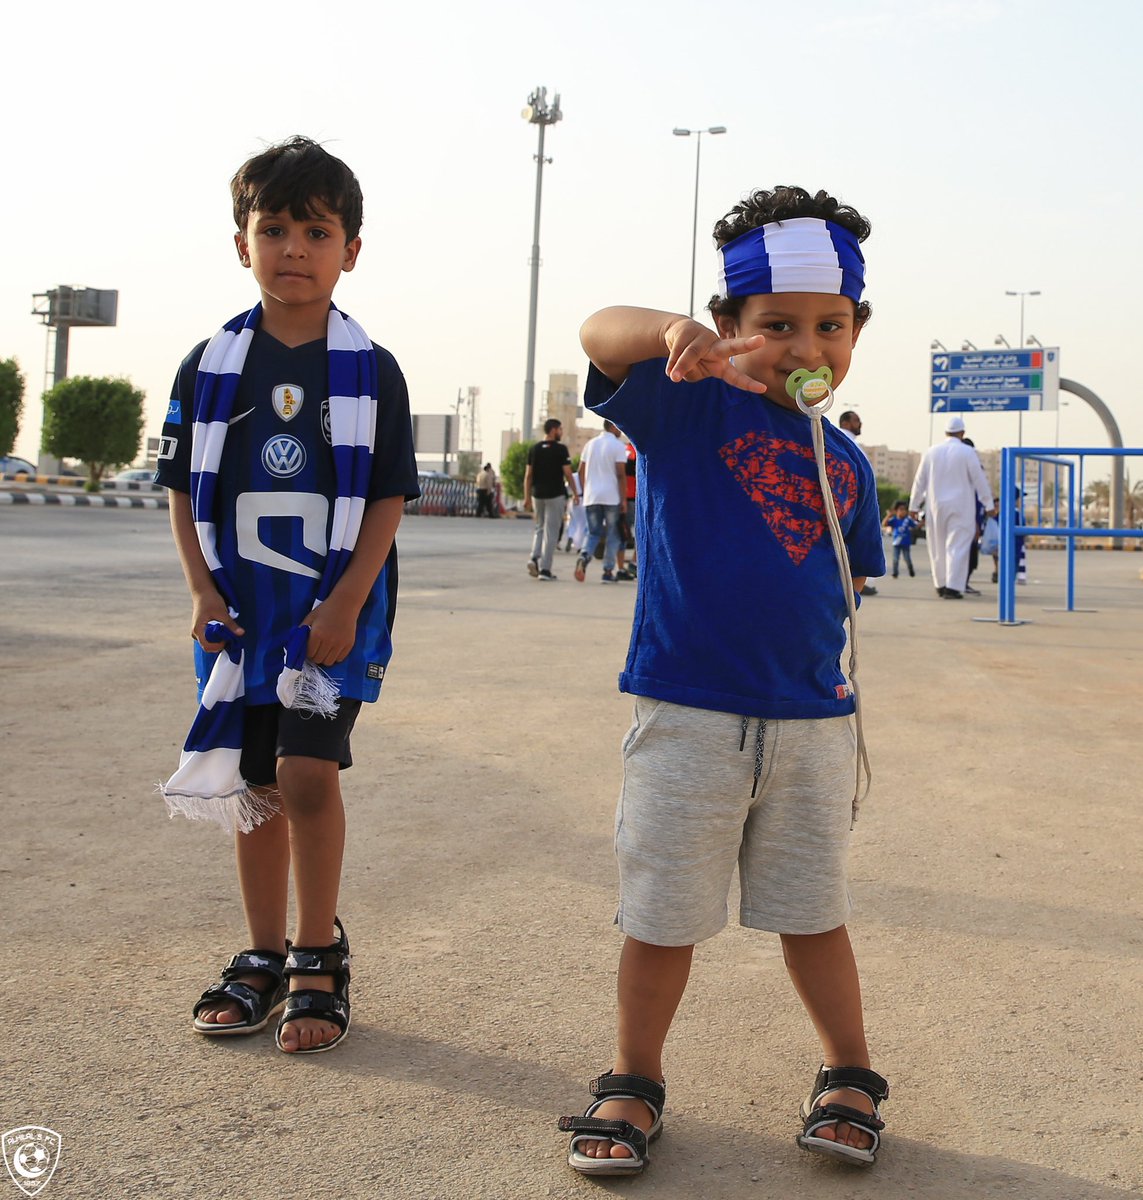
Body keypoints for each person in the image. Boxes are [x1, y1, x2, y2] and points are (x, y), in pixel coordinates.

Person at [558, 186, 888, 1176]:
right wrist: (670, 335)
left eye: (830, 326)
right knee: (662, 918)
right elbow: (597, 331)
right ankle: (632, 1079)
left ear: (856, 332)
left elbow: (849, 580)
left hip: (813, 725)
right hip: (689, 716)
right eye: (776, 326)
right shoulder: (687, 406)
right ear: (728, 325)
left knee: (813, 914)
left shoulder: (846, 461)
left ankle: (849, 1072)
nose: (805, 347)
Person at [156, 136, 419, 1055]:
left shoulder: (372, 370)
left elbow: (386, 497)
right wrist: (199, 588)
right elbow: (183, 491)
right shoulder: (209, 365)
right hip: (240, 613)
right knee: (255, 782)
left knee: (306, 773)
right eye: (273, 230)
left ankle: (317, 955)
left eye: (316, 232)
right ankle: (261, 954)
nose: (294, 249)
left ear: (351, 249)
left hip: (335, 612)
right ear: (242, 244)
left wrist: (344, 604)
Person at [908, 415, 996, 599]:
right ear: (962, 433)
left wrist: (914, 505)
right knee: (958, 545)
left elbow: (919, 481)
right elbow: (979, 479)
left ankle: (940, 584)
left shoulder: (931, 452)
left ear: (946, 432)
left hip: (935, 507)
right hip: (961, 506)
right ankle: (953, 587)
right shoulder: (968, 452)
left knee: (936, 545)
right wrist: (988, 504)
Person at [574, 420, 629, 583]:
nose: (620, 430)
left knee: (593, 533)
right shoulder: (618, 446)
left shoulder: (590, 444)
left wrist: (585, 490)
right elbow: (621, 475)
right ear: (612, 426)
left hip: (592, 496)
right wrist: (623, 499)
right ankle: (608, 571)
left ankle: (584, 556)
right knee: (613, 534)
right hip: (611, 497)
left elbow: (580, 471)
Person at [524, 419, 577, 581]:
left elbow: (528, 475)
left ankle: (534, 558)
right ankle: (545, 570)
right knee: (551, 532)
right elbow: (568, 473)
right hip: (555, 494)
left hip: (537, 495)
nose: (561, 432)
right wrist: (576, 493)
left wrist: (526, 497)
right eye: (560, 429)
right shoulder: (561, 449)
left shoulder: (534, 449)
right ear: (553, 430)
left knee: (539, 527)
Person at [836, 412, 877, 594]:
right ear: (845, 423)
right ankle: (858, 586)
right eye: (856, 421)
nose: (860, 423)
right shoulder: (852, 446)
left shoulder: (828, 439)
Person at [615, 439, 638, 581]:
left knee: (622, 533)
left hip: (620, 497)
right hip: (634, 497)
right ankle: (634, 562)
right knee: (640, 533)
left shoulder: (623, 450)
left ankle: (620, 567)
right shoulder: (636, 451)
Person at [882, 500, 918, 577]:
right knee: (895, 559)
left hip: (906, 543)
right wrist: (888, 516)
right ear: (896, 511)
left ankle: (911, 569)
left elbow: (915, 526)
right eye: (901, 509)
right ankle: (895, 573)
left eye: (904, 509)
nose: (903, 511)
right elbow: (884, 524)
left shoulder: (907, 520)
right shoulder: (895, 520)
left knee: (907, 558)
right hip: (896, 543)